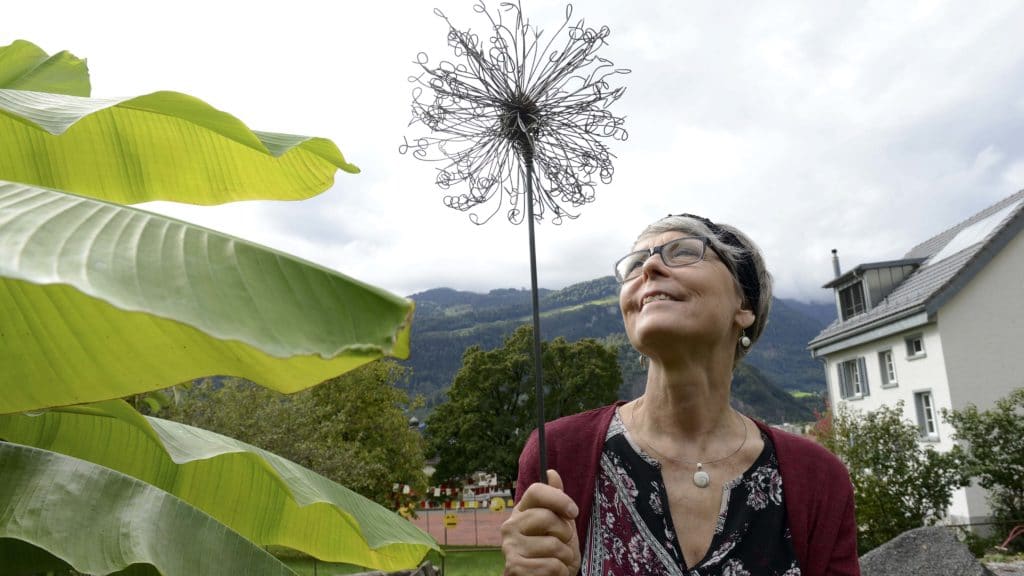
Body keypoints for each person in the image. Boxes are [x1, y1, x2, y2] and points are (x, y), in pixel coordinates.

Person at [501, 214, 859, 576]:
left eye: (684, 251)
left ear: (745, 306)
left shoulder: (816, 478)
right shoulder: (560, 453)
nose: (651, 266)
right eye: (636, 263)